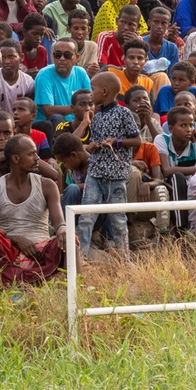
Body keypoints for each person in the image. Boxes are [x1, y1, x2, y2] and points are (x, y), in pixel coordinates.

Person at [0, 135, 67, 285]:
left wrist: (62, 229)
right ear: (16, 159)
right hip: (8, 252)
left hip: (41, 252)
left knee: (70, 239)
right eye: (31, 154)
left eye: (36, 153)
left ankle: (75, 294)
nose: (37, 158)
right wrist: (16, 239)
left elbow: (59, 222)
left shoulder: (47, 185)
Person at [77, 72, 142, 258]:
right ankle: (80, 258)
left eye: (93, 89)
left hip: (116, 175)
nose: (91, 94)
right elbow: (94, 143)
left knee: (118, 219)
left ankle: (124, 258)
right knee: (86, 217)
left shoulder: (123, 113)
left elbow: (136, 140)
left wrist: (117, 142)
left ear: (104, 91)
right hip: (95, 172)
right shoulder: (96, 117)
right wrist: (92, 146)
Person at [34, 39, 92, 124]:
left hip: (75, 121)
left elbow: (90, 102)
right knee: (57, 117)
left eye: (67, 55)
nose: (62, 58)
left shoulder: (81, 73)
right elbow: (48, 110)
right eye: (57, 55)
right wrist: (77, 108)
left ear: (76, 57)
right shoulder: (44, 74)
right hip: (50, 124)